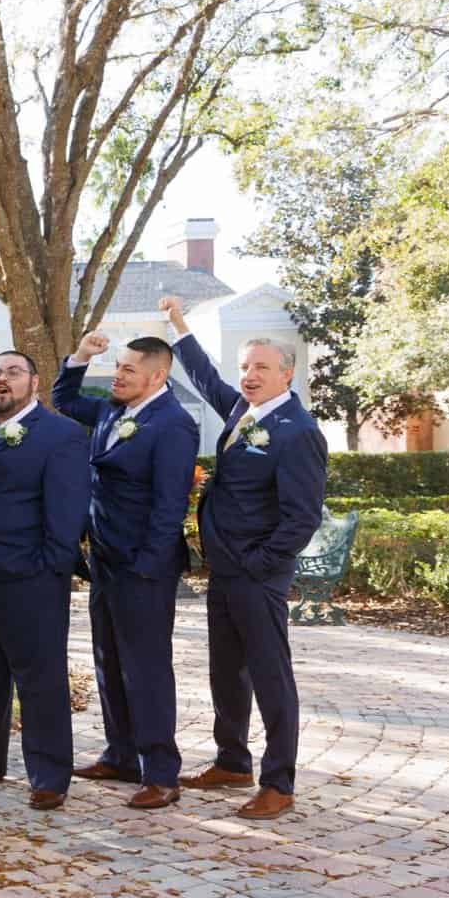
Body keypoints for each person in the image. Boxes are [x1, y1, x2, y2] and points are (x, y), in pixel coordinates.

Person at [164, 296, 328, 820]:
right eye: (245, 367)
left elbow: (301, 517)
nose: (249, 376)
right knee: (226, 672)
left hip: (257, 576)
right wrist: (178, 327)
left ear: (287, 373)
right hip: (226, 571)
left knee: (270, 676)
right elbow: (208, 378)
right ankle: (232, 760)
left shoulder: (298, 432)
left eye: (260, 367)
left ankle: (278, 782)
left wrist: (260, 564)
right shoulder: (243, 410)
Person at [53, 331, 199, 808]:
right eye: (116, 367)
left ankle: (162, 772)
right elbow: (65, 398)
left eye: (128, 369)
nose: (116, 375)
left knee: (147, 668)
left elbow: (168, 504)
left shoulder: (172, 424)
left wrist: (146, 567)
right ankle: (120, 755)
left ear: (158, 376)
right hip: (106, 560)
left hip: (143, 567)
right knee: (108, 659)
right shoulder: (113, 411)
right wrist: (81, 357)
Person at [0, 351, 89, 810]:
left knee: (39, 677)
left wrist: (48, 569)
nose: (2, 380)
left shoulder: (60, 434)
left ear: (35, 381)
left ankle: (49, 774)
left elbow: (66, 514)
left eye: (13, 372)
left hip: (28, 578)